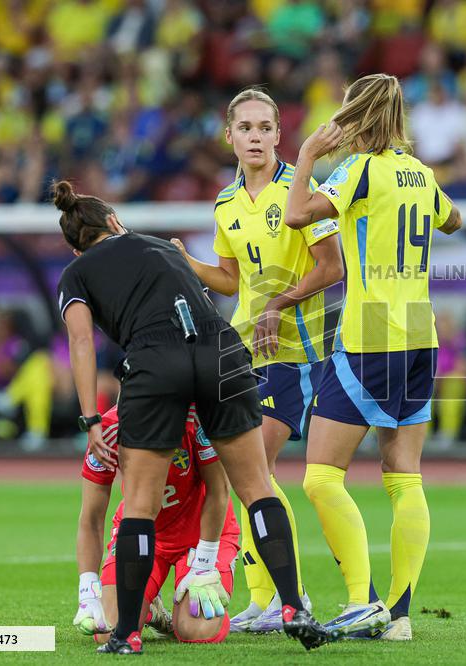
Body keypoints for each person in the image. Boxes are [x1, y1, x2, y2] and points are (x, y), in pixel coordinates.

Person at [53, 180, 334, 654]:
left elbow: (81, 341)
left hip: (155, 360)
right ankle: (293, 607)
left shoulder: (76, 274)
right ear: (115, 222)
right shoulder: (162, 247)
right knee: (258, 488)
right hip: (221, 351)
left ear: (75, 248)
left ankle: (127, 634)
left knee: (140, 504)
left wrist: (91, 418)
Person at [285, 73, 463, 641]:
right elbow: (454, 219)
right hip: (420, 334)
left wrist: (308, 154)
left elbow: (296, 214)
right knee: (404, 476)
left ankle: (361, 602)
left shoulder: (359, 169)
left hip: (370, 336)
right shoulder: (420, 173)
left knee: (320, 476)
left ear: (353, 117)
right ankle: (400, 615)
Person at [172, 87, 344, 633]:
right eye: (245, 128)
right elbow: (230, 279)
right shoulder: (225, 204)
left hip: (295, 350)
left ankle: (291, 598)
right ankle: (265, 597)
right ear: (229, 136)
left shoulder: (301, 190)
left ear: (278, 134)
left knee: (253, 471)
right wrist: (187, 262)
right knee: (247, 473)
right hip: (244, 349)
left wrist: (278, 304)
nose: (255, 137)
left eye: (264, 127)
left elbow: (332, 267)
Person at [74, 404, 239, 644]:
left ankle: (191, 601)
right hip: (140, 533)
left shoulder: (197, 418)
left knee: (195, 630)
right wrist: (87, 588)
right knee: (109, 631)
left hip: (203, 535)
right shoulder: (108, 429)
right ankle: (151, 608)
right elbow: (91, 517)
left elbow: (219, 490)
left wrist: (205, 562)